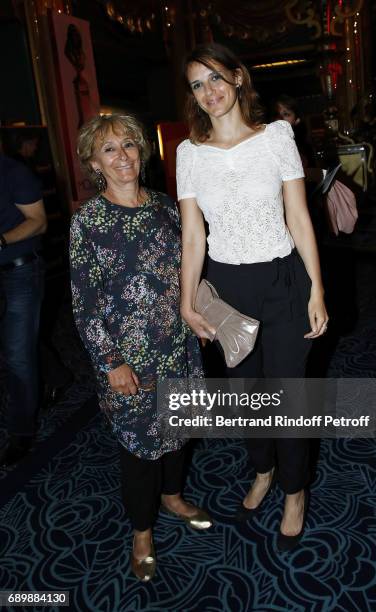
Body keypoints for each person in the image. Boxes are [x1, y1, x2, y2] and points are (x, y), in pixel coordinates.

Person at [176, 44, 328, 552]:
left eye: (216, 78)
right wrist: (185, 301)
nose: (209, 92)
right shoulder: (188, 153)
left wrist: (318, 288)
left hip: (284, 281)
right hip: (227, 290)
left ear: (239, 78)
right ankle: (262, 470)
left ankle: (293, 491)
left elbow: (300, 218)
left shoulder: (277, 137)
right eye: (197, 84)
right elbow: (193, 237)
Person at [70, 114, 211, 582]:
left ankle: (172, 496)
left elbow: (189, 269)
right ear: (95, 162)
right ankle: (142, 534)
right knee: (139, 451)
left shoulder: (167, 207)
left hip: (178, 344)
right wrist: (111, 362)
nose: (123, 156)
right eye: (110, 149)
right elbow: (84, 304)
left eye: (129, 145)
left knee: (178, 432)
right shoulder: (88, 221)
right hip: (129, 361)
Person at [0, 151, 47, 466]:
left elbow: (39, 222)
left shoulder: (13, 172)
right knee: (17, 344)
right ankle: (57, 377)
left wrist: (1, 240)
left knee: (17, 355)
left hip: (20, 273)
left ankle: (22, 431)